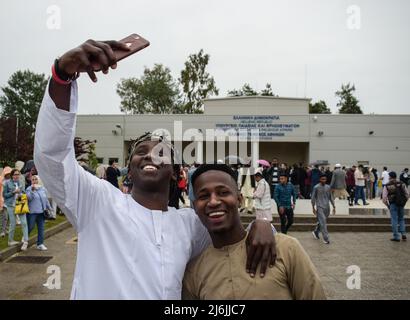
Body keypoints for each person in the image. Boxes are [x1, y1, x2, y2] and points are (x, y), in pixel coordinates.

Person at [33, 38, 276, 299]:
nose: (150, 156)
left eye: (161, 153)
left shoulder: (189, 225)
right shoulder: (98, 202)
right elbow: (53, 156)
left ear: (175, 171)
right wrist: (62, 75)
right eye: (140, 152)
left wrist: (263, 226)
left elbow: (234, 240)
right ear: (130, 168)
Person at [183, 164, 326, 300]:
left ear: (239, 199)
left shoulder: (285, 249)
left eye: (223, 192)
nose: (213, 201)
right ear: (195, 207)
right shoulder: (194, 272)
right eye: (203, 196)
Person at [3, 169, 29, 250]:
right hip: (11, 205)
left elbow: (24, 192)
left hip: (20, 204)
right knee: (13, 223)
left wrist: (22, 193)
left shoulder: (21, 183)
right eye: (15, 174)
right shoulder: (7, 183)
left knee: (24, 223)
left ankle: (26, 241)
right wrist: (13, 192)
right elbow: (5, 195)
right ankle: (10, 241)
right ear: (12, 175)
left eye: (18, 174)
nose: (17, 176)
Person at [26, 175, 52, 250]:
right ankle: (25, 238)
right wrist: (32, 191)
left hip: (41, 212)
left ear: (38, 180)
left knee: (41, 228)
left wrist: (49, 208)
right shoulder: (29, 189)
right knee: (30, 227)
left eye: (35, 179)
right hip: (32, 212)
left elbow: (45, 199)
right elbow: (29, 198)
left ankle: (40, 244)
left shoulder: (42, 188)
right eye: (32, 179)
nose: (34, 181)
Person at [382, 172, 409, 242]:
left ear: (390, 177)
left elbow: (384, 198)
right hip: (401, 204)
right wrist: (404, 202)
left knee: (394, 220)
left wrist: (388, 205)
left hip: (393, 204)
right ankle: (403, 234)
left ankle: (396, 237)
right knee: (401, 219)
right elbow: (407, 194)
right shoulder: (402, 183)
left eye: (388, 176)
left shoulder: (387, 185)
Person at [311, 174, 336, 244]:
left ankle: (316, 232)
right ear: (320, 179)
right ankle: (326, 238)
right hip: (319, 207)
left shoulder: (328, 187)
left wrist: (334, 206)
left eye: (324, 179)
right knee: (323, 222)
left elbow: (331, 197)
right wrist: (313, 207)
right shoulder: (316, 187)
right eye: (322, 179)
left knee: (322, 221)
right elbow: (313, 198)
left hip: (327, 207)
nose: (323, 180)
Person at [0, 167, 12, 237]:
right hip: (3, 202)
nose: (8, 175)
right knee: (4, 217)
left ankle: (6, 230)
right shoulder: (1, 180)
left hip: (10, 202)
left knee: (9, 217)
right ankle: (2, 231)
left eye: (10, 173)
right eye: (7, 173)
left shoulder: (11, 181)